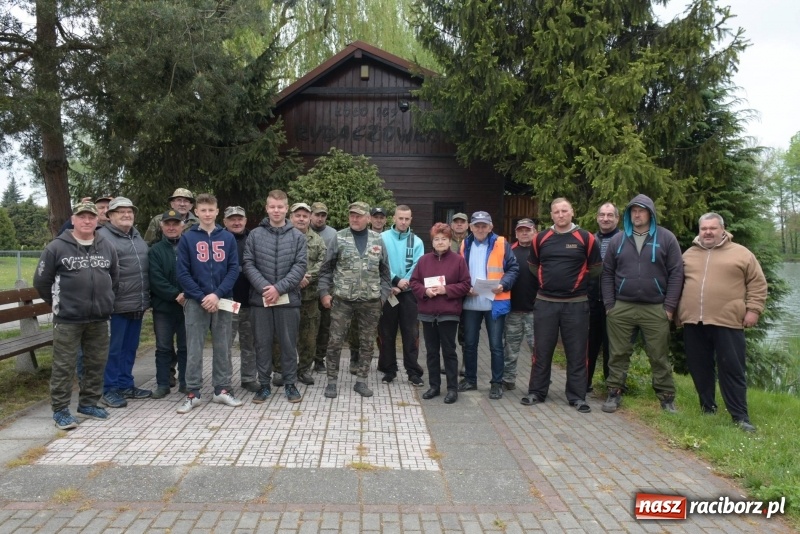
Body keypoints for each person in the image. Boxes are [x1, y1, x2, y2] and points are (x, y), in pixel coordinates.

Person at [677, 213, 767, 433]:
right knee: (700, 368)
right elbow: (677, 284)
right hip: (694, 322)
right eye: (704, 228)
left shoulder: (741, 254)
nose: (708, 232)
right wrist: (678, 312)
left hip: (728, 322)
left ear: (722, 230)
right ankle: (708, 407)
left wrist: (753, 310)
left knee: (732, 369)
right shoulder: (689, 255)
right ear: (699, 231)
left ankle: (740, 416)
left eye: (713, 228)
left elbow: (757, 283)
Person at [34, 201, 118, 429]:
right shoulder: (56, 248)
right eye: (82, 217)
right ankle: (60, 411)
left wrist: (105, 301)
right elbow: (41, 282)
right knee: (64, 365)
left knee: (96, 363)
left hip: (99, 318)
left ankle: (88, 404)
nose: (87, 221)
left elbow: (114, 279)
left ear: (97, 220)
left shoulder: (107, 246)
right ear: (73, 219)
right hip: (68, 319)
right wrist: (59, 303)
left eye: (91, 217)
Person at [601, 194, 684, 414]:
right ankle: (614, 392)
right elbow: (607, 273)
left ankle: (666, 397)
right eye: (633, 211)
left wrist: (669, 307)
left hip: (655, 307)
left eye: (641, 210)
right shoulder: (618, 240)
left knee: (659, 355)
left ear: (650, 213)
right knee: (618, 353)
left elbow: (677, 273)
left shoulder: (666, 238)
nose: (637, 214)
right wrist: (610, 305)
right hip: (622, 307)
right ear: (629, 215)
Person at [523, 198, 600, 413]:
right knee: (542, 350)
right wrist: (549, 284)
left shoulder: (586, 238)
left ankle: (577, 396)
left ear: (572, 212)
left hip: (576, 304)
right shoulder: (541, 238)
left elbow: (595, 269)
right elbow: (533, 266)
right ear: (551, 214)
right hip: (546, 303)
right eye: (556, 211)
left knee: (576, 352)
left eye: (564, 210)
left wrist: (574, 285)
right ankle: (536, 392)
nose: (560, 215)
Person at [176, 193, 242, 413]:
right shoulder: (188, 238)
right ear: (196, 212)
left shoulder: (228, 237)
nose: (206, 214)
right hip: (197, 301)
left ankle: (222, 390)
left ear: (217, 212)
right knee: (194, 346)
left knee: (223, 345)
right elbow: (182, 272)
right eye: (202, 210)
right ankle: (193, 392)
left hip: (223, 299)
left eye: (210, 210)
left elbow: (234, 269)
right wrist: (201, 296)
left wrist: (217, 294)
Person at [318, 201, 391, 399]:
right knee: (335, 341)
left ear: (368, 218)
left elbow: (385, 273)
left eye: (359, 215)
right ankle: (332, 381)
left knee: (367, 343)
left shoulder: (377, 239)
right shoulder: (339, 238)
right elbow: (326, 269)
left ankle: (361, 381)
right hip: (342, 300)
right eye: (352, 215)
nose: (355, 218)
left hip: (370, 302)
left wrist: (382, 298)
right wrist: (324, 292)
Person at [243, 190, 307, 404]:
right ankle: (263, 385)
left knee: (289, 343)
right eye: (272, 206)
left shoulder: (297, 236)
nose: (276, 210)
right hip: (260, 300)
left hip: (288, 299)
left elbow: (300, 266)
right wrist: (264, 288)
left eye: (280, 206)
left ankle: (290, 384)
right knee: (262, 343)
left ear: (286, 208)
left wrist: (278, 289)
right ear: (267, 208)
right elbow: (248, 263)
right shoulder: (255, 235)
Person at [97, 197, 152, 408]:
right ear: (109, 216)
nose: (126, 215)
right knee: (113, 349)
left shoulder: (136, 236)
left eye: (129, 211)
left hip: (136, 303)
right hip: (115, 305)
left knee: (130, 348)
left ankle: (125, 384)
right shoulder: (102, 237)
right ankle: (109, 389)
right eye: (121, 212)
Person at [458, 211, 518, 400]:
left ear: (491, 227)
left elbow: (513, 268)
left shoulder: (501, 243)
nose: (480, 229)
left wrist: (504, 284)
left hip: (495, 301)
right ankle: (470, 379)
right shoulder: (464, 244)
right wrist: (463, 287)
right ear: (471, 227)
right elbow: (459, 270)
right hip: (470, 302)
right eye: (477, 225)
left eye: (484, 225)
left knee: (495, 346)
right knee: (469, 344)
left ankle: (496, 383)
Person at [410, 223, 471, 404]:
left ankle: (452, 388)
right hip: (428, 313)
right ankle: (434, 386)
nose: (440, 242)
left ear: (449, 240)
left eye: (444, 239)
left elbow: (465, 285)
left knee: (449, 351)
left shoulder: (458, 261)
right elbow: (414, 282)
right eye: (437, 239)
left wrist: (446, 289)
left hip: (448, 313)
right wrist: (424, 292)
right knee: (431, 351)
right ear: (432, 241)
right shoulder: (423, 261)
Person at [273, 202, 327, 386]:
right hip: (285, 295)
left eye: (305, 215)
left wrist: (307, 276)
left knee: (308, 336)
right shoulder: (281, 237)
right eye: (298, 215)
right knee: (282, 335)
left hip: (309, 297)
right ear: (291, 216)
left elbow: (324, 262)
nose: (301, 219)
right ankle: (279, 370)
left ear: (310, 217)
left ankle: (303, 370)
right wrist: (295, 278)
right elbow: (276, 262)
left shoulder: (317, 240)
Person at [378, 205, 425, 386]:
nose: (403, 222)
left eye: (407, 219)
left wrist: (402, 284)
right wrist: (395, 281)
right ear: (394, 218)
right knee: (387, 333)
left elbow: (417, 267)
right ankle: (389, 370)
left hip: (408, 294)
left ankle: (413, 372)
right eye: (400, 218)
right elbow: (379, 264)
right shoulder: (382, 238)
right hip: (387, 291)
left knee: (410, 333)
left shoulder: (417, 242)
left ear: (411, 220)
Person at [148, 210, 188, 398]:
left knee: (185, 346)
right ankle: (163, 383)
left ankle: (186, 382)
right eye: (168, 224)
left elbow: (196, 273)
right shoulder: (155, 250)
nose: (171, 227)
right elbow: (155, 278)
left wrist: (187, 294)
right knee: (163, 347)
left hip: (187, 305)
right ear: (162, 226)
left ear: (182, 225)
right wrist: (175, 294)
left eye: (175, 223)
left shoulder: (190, 247)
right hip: (163, 307)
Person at [223, 206, 259, 393]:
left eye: (240, 219)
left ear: (245, 220)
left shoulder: (253, 238)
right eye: (232, 219)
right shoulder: (220, 239)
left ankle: (248, 378)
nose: (236, 222)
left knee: (250, 344)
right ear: (225, 221)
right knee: (225, 345)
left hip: (250, 300)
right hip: (227, 301)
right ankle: (225, 380)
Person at [586, 202, 620, 391]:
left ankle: (612, 387)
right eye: (602, 215)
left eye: (609, 215)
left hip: (615, 302)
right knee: (589, 346)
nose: (605, 219)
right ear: (597, 217)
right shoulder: (590, 239)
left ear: (617, 218)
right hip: (591, 300)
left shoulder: (624, 239)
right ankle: (585, 383)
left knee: (612, 348)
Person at [502, 218, 538, 391]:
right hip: (513, 310)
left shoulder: (541, 251)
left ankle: (539, 380)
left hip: (536, 311)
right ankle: (508, 378)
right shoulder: (509, 251)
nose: (524, 233)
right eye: (521, 230)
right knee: (510, 348)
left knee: (538, 349)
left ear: (534, 232)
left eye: (528, 230)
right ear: (516, 233)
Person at [310, 201, 338, 373]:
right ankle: (304, 359)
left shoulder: (333, 234)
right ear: (311, 215)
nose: (320, 218)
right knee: (307, 326)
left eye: (323, 215)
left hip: (328, 286)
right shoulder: (303, 231)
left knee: (325, 326)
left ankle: (319, 359)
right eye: (317, 214)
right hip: (308, 286)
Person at [449, 212, 470, 376]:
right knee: (447, 330)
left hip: (466, 292)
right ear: (451, 225)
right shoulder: (446, 242)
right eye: (456, 222)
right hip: (448, 293)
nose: (459, 225)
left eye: (462, 222)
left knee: (465, 331)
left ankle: (465, 364)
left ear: (467, 225)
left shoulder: (472, 242)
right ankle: (449, 363)